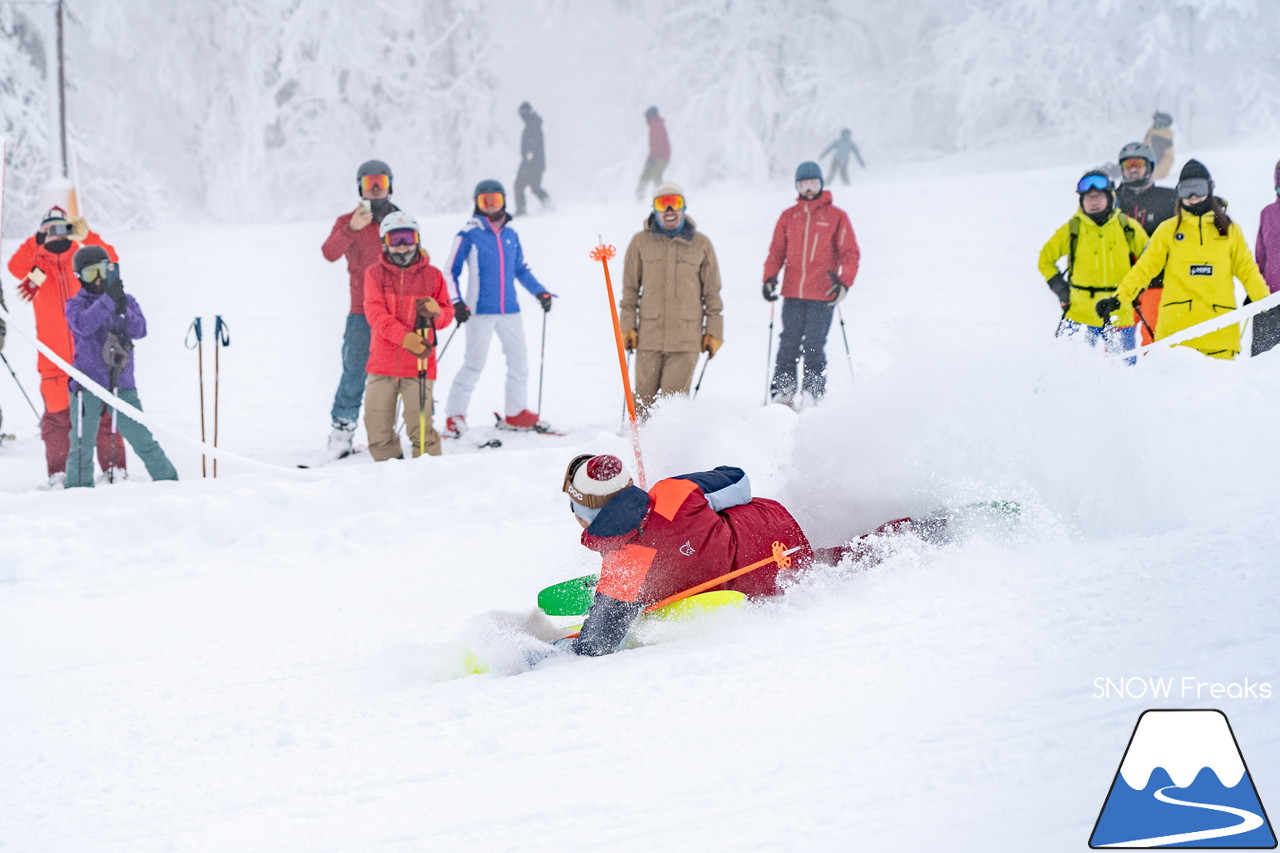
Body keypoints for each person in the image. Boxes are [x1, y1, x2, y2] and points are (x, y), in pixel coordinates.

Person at [556, 454, 931, 657]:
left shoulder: (624, 566)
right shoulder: (673, 492)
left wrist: (554, 650)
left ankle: (899, 541)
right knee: (834, 558)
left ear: (586, 511)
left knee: (832, 563)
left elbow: (596, 646)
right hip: (777, 537)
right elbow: (738, 481)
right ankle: (919, 531)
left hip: (760, 587)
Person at [1098, 159, 1269, 360]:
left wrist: (1267, 303)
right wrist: (1119, 298)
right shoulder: (1168, 230)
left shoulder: (1229, 230)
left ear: (1210, 188)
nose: (1194, 196)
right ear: (1179, 192)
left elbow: (1247, 271)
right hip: (1176, 338)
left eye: (1199, 187)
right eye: (1187, 189)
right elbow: (1144, 269)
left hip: (1219, 335)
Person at [6, 206, 124, 488]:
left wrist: (88, 235)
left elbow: (112, 260)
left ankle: (113, 470)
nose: (57, 234)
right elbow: (14, 268)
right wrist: (36, 240)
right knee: (58, 420)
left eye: (63, 227)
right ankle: (59, 474)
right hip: (53, 358)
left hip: (92, 353)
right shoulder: (36, 264)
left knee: (104, 415)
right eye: (51, 229)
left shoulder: (83, 259)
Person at [444, 179, 554, 435]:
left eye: (496, 199)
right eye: (486, 201)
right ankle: (454, 414)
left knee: (519, 364)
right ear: (477, 204)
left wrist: (540, 291)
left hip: (510, 310)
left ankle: (516, 413)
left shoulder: (510, 234)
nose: (492, 206)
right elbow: (450, 271)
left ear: (504, 201)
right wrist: (456, 303)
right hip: (479, 311)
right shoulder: (468, 234)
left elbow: (519, 269)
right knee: (474, 363)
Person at [63, 247, 177, 488]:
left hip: (121, 384)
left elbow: (140, 331)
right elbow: (83, 326)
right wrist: (107, 301)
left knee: (143, 440)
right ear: (78, 276)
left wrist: (122, 308)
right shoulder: (75, 304)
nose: (97, 278)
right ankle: (76, 496)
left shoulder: (126, 299)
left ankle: (171, 485)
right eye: (90, 272)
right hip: (87, 386)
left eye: (103, 271)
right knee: (82, 446)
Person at [620, 181, 724, 415]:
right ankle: (637, 448)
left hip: (686, 340)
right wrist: (626, 327)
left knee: (672, 406)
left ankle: (669, 449)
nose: (669, 210)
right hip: (649, 337)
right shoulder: (640, 242)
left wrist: (714, 331)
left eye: (674, 203)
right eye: (662, 203)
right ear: (654, 209)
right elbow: (629, 291)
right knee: (642, 402)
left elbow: (712, 294)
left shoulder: (701, 244)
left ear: (683, 208)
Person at [321, 159, 400, 460]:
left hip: (398, 311)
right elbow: (329, 253)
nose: (376, 189)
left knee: (401, 372)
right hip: (362, 312)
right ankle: (342, 430)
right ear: (360, 187)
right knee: (354, 371)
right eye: (370, 183)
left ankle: (402, 429)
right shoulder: (348, 221)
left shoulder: (400, 219)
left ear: (390, 185)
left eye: (380, 182)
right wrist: (352, 229)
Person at [762, 162, 860, 405]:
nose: (808, 189)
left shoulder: (836, 217)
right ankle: (783, 392)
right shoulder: (788, 216)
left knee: (815, 346)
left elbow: (850, 253)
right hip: (793, 293)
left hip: (823, 294)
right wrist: (769, 278)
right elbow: (776, 252)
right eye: (803, 184)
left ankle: (813, 392)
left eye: (813, 184)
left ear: (821, 185)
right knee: (788, 344)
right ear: (797, 186)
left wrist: (844, 283)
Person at [362, 212, 456, 460]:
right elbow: (375, 313)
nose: (403, 245)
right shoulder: (374, 274)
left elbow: (447, 314)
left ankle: (428, 478)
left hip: (420, 365)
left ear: (418, 239)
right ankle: (389, 476)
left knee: (421, 428)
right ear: (385, 242)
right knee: (377, 427)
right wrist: (405, 338)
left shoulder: (433, 276)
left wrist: (437, 313)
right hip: (382, 364)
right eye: (396, 239)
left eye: (408, 237)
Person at [1037, 170, 1147, 360]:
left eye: (1098, 196)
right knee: (1070, 370)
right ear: (1081, 201)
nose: (1093, 202)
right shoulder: (1073, 229)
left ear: (1110, 197)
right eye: (1088, 197)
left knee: (1124, 373)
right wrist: (1061, 289)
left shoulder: (1127, 226)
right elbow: (1045, 260)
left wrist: (1135, 289)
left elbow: (1149, 261)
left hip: (1119, 313)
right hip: (1080, 315)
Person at [1114, 141, 1180, 345]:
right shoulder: (1111, 200)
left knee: (1154, 342)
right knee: (1118, 347)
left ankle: (1155, 376)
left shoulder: (1169, 198)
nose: (1133, 169)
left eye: (1138, 164)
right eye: (1128, 165)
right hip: (1120, 283)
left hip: (1156, 282)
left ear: (1150, 166)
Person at [1251, 159, 1280, 356]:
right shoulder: (1268, 213)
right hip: (1270, 301)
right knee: (1263, 364)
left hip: (1270, 298)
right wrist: (1255, 290)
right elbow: (1260, 257)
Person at [513, 102, 551, 216]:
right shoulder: (534, 124)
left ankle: (521, 209)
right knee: (535, 187)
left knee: (519, 186)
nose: (521, 117)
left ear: (526, 113)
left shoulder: (532, 126)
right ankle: (549, 204)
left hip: (531, 165)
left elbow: (531, 147)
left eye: (522, 114)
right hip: (536, 165)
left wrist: (527, 163)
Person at [635, 106, 670, 200]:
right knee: (645, 175)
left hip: (661, 156)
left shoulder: (656, 125)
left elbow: (657, 142)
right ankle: (639, 196)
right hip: (655, 155)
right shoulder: (654, 124)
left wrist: (653, 156)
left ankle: (663, 197)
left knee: (655, 175)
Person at [1144, 112, 1175, 180]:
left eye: (1162, 123)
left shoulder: (1163, 139)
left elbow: (1168, 159)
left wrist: (1153, 173)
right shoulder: (1151, 135)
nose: (1158, 124)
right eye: (1157, 121)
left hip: (1152, 175)